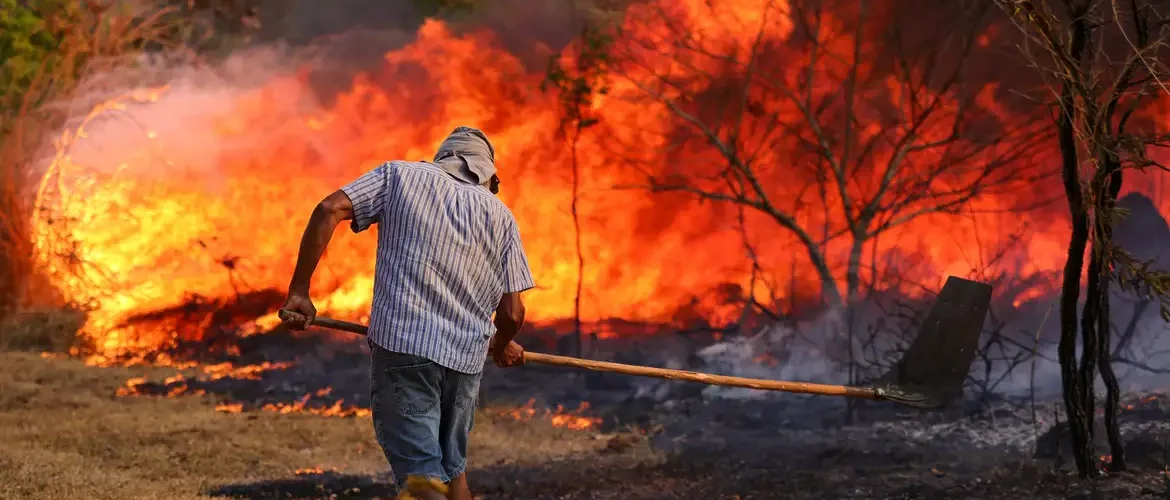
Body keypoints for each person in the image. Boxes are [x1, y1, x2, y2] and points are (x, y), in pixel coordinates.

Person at [279, 126, 535, 500]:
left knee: (422, 479)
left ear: (443, 158)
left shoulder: (400, 176)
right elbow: (512, 312)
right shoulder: (502, 217)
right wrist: (502, 343)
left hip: (406, 347)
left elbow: (329, 208)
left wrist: (299, 292)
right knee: (454, 475)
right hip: (465, 363)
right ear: (489, 175)